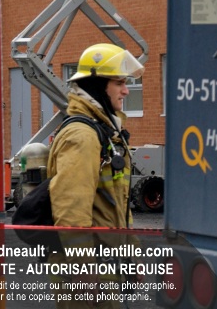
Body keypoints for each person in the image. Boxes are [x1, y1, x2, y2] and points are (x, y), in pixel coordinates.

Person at [47, 42, 145, 229]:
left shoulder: (103, 131)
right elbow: (72, 217)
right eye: (119, 83)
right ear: (97, 86)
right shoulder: (82, 137)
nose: (126, 91)